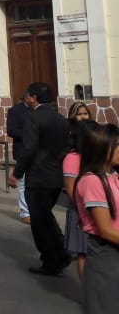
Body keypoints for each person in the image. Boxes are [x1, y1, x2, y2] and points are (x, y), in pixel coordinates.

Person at [72, 121, 119, 314]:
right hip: (107, 261)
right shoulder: (92, 181)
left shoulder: (113, 175)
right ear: (103, 148)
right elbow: (104, 229)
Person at [8, 82, 70, 276]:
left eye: (28, 96)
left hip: (38, 178)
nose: (26, 99)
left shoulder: (32, 118)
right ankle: (60, 252)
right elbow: (66, 146)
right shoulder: (60, 119)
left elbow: (29, 150)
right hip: (56, 176)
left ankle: (52, 260)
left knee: (39, 222)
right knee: (46, 217)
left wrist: (17, 173)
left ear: (33, 97)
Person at [63, 101, 92, 278]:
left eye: (86, 113)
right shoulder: (72, 156)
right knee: (83, 253)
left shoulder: (95, 154)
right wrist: (83, 212)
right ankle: (87, 292)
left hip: (95, 211)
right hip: (81, 211)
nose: (83, 117)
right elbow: (71, 188)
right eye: (80, 114)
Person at [6, 89, 34, 224]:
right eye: (32, 96)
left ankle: (37, 210)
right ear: (27, 97)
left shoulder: (39, 109)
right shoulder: (15, 111)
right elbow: (11, 130)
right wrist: (28, 134)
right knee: (22, 183)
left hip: (38, 152)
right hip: (22, 151)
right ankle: (25, 212)